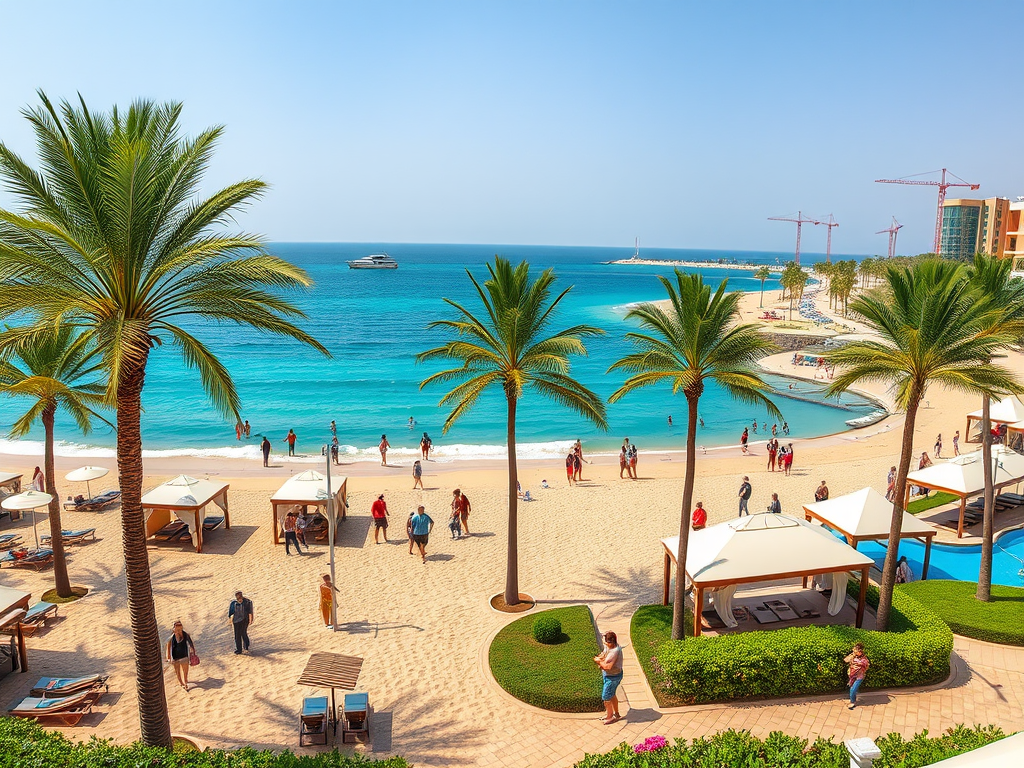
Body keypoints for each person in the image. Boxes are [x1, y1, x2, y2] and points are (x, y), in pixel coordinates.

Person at [593, 631, 623, 725]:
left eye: (607, 642)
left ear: (612, 642)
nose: (605, 644)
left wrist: (598, 662)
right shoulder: (609, 647)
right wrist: (601, 658)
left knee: (606, 697)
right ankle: (616, 714)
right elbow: (603, 654)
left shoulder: (615, 652)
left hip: (613, 677)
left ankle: (609, 717)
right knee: (612, 694)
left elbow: (608, 667)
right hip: (609, 675)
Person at [165, 620, 196, 690]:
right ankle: (181, 683)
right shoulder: (172, 637)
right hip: (175, 657)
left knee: (185, 670)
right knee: (177, 671)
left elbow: (190, 643)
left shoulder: (185, 635)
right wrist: (168, 657)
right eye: (177, 629)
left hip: (184, 656)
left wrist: (192, 649)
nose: (179, 631)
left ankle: (185, 681)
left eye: (180, 629)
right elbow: (168, 646)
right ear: (174, 629)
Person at [844, 642, 870, 709]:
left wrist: (860, 670)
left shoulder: (864, 660)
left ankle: (852, 702)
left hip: (859, 677)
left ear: (860, 652)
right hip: (852, 676)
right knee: (852, 689)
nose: (855, 652)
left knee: (852, 689)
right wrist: (852, 655)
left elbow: (866, 666)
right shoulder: (853, 656)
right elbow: (845, 660)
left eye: (857, 651)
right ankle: (853, 699)